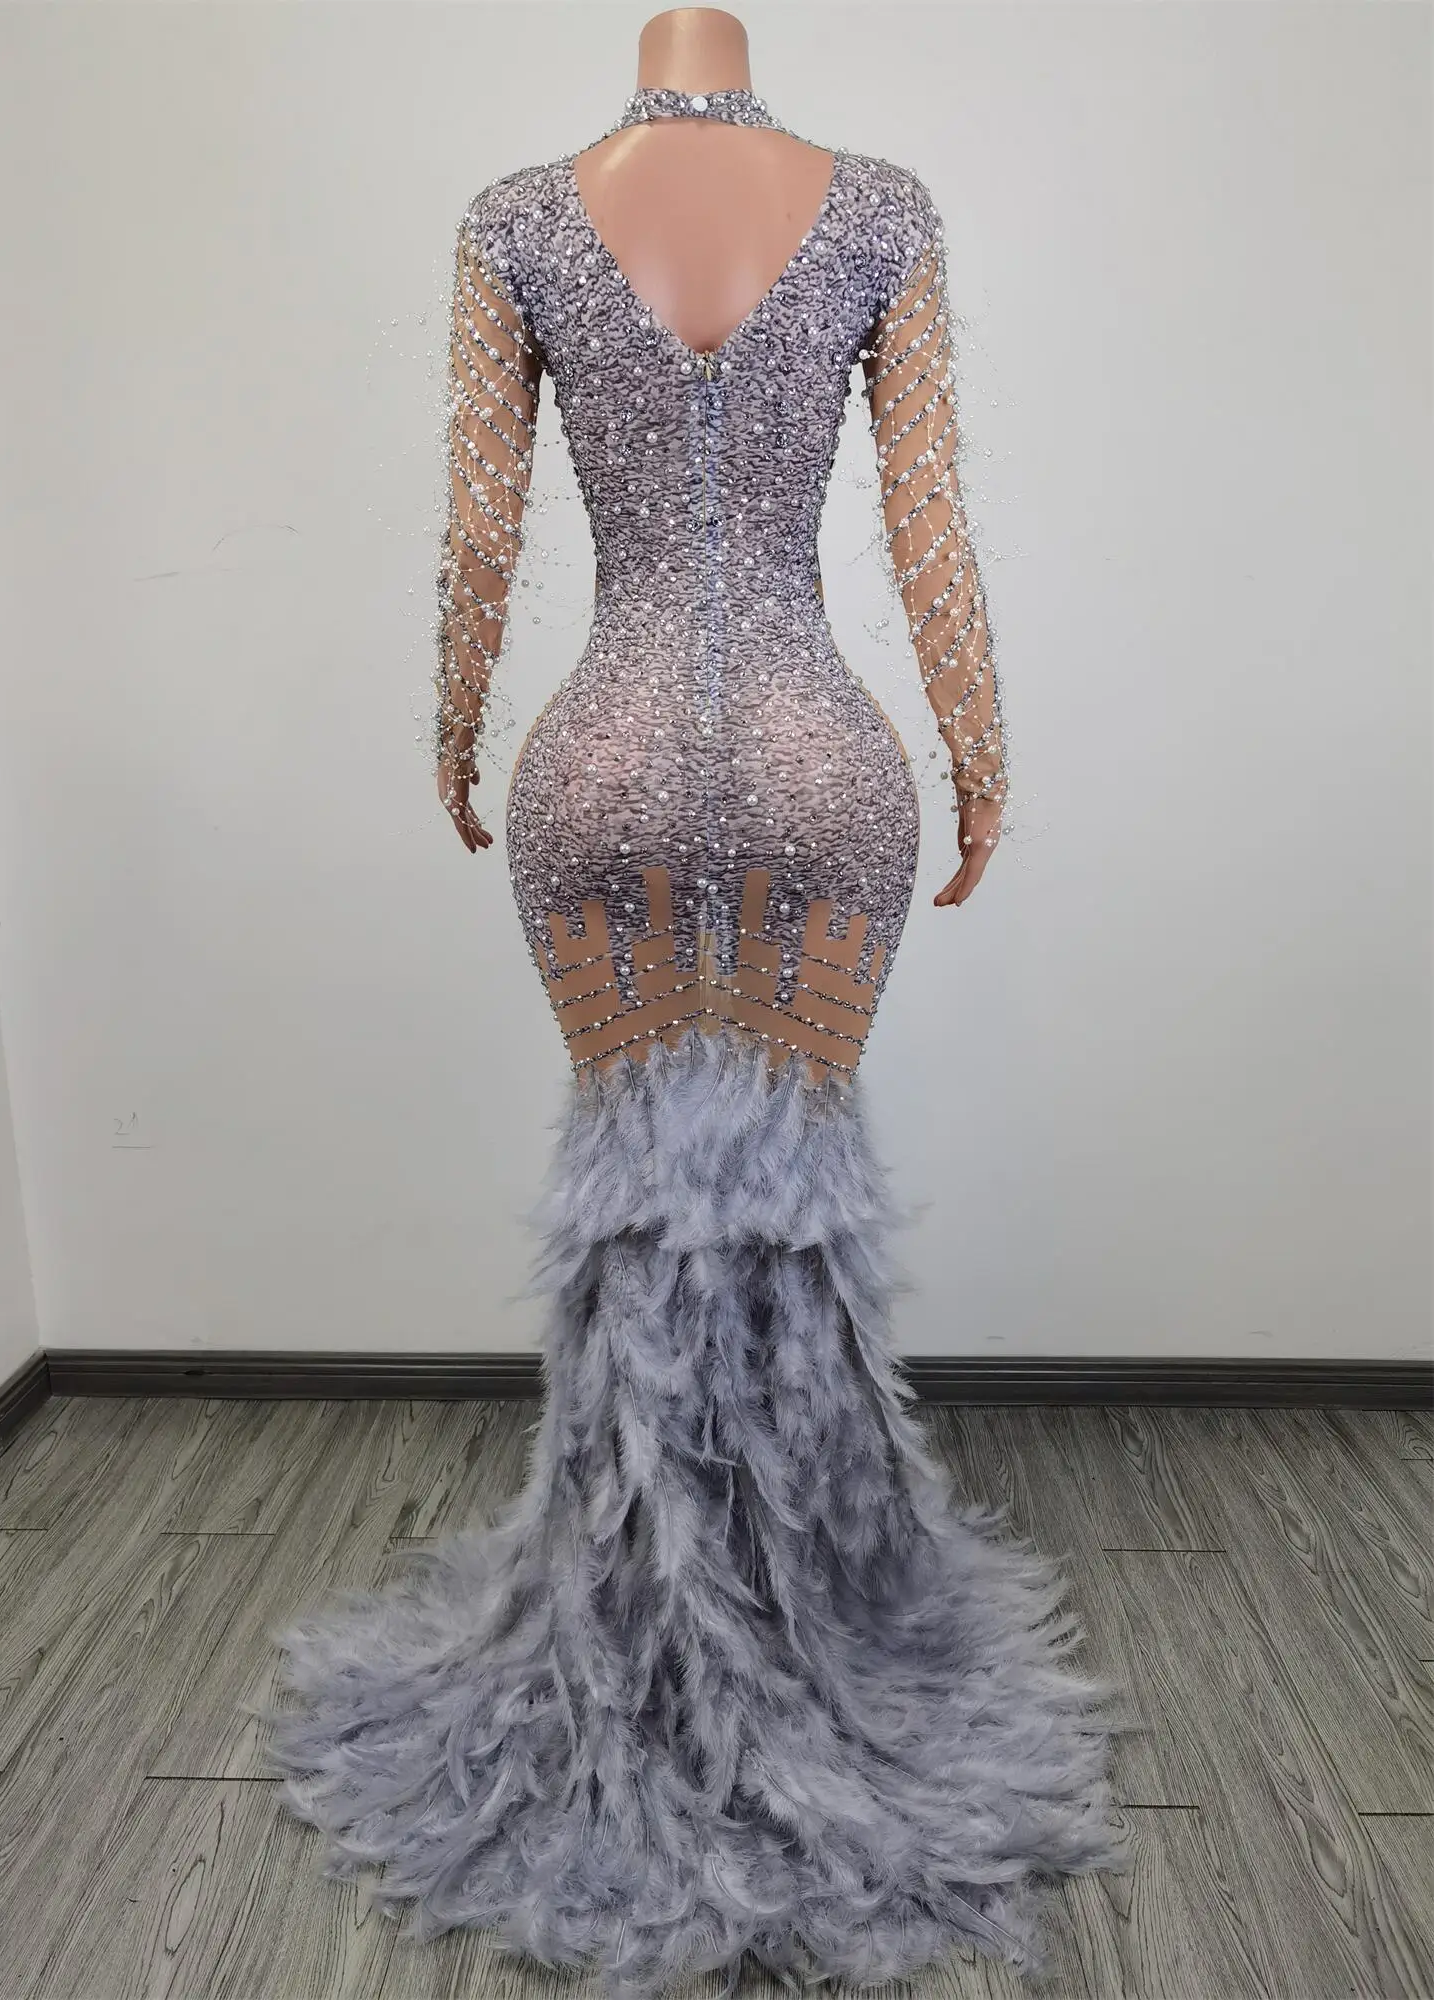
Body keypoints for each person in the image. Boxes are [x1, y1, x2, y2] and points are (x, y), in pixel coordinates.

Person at [265, 46, 1135, 2000]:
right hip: (826, 765)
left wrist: (453, 726)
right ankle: (812, 1612)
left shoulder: (517, 219)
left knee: (638, 1213)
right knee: (798, 1209)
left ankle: (644, 1627)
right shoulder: (880, 207)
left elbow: (483, 537)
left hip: (606, 764)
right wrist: (982, 755)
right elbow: (927, 525)